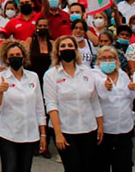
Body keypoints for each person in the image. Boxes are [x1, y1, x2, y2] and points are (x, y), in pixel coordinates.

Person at [43, 35, 104, 172]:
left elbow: (94, 100)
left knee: (88, 167)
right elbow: (51, 105)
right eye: (63, 46)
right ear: (58, 51)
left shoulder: (87, 72)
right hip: (66, 130)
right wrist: (58, 133)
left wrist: (100, 126)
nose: (67, 49)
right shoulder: (51, 75)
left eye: (70, 46)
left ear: (76, 50)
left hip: (89, 128)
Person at [0, 40, 46, 172]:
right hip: (8, 133)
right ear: (6, 59)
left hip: (29, 133)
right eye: (12, 55)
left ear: (24, 57)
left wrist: (43, 134)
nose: (15, 57)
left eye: (18, 55)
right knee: (10, 168)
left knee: (25, 169)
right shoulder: (0, 77)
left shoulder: (33, 77)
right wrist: (0, 92)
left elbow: (39, 107)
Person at [94, 46, 135, 172]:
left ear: (117, 60)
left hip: (124, 129)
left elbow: (129, 98)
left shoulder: (123, 75)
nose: (107, 61)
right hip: (104, 131)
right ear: (98, 61)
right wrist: (104, 84)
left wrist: (133, 89)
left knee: (124, 166)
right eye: (104, 58)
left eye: (111, 58)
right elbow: (98, 88)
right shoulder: (94, 75)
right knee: (102, 166)